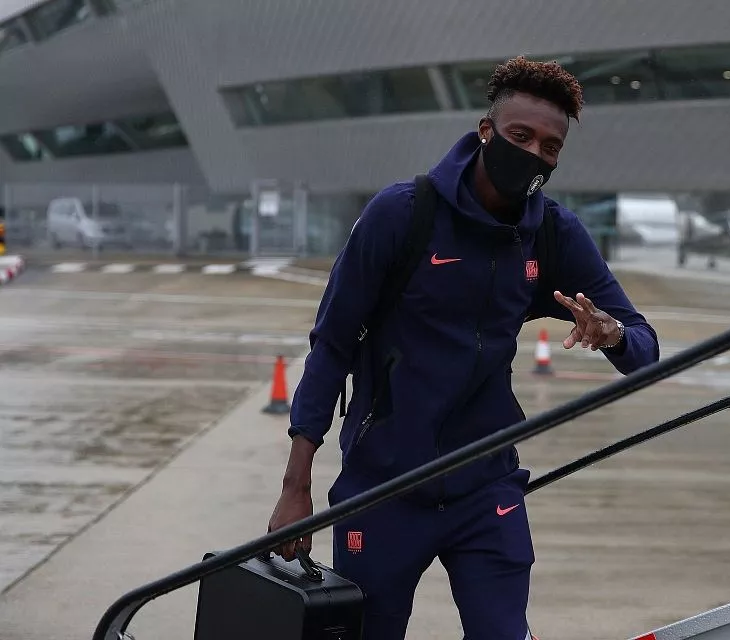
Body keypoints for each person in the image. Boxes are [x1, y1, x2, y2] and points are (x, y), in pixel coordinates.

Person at [268, 55, 660, 640]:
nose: (534, 154)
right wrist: (295, 486)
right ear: (485, 131)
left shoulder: (552, 234)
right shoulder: (401, 215)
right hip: (384, 489)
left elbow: (645, 349)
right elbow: (331, 346)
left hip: (486, 488)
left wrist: (614, 334)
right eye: (520, 136)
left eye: (550, 147)